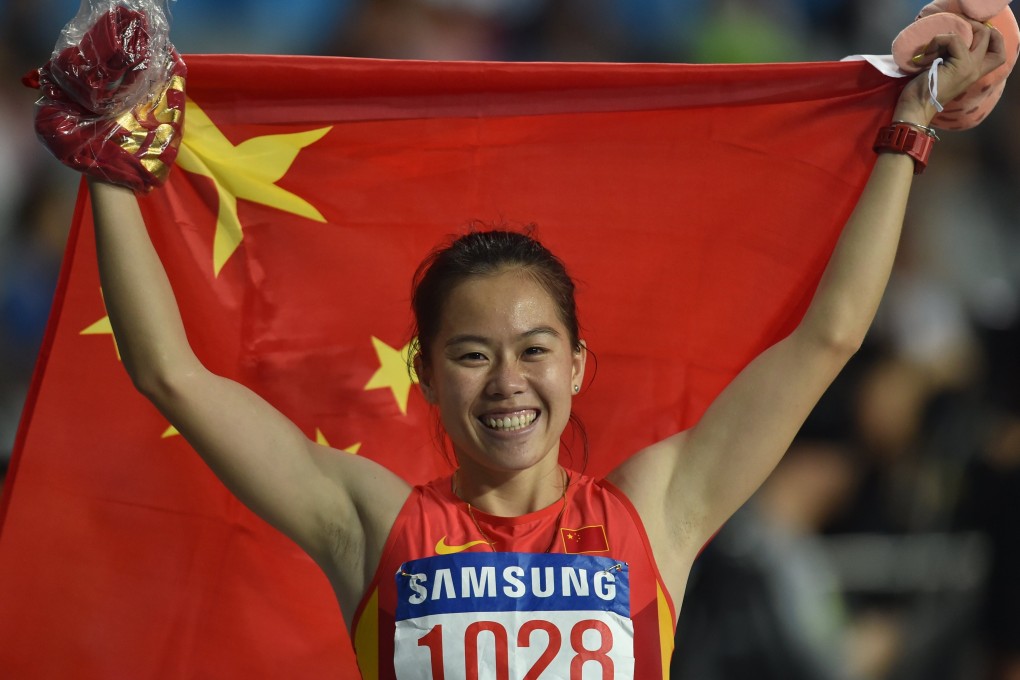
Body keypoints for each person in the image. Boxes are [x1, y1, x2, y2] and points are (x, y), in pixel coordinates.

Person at [70, 19, 1004, 680]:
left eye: (534, 348)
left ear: (578, 365)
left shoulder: (660, 510)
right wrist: (111, 167)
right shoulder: (369, 522)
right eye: (472, 354)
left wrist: (909, 127)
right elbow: (171, 374)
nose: (507, 381)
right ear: (425, 376)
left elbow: (830, 337)